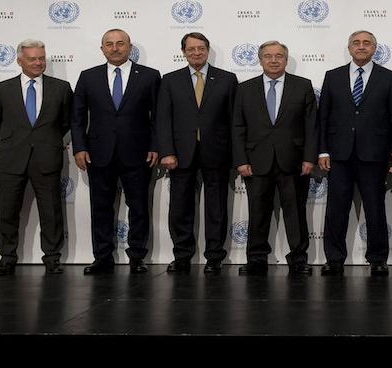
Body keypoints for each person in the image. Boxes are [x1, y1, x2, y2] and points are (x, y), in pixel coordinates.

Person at [72, 29, 160, 275]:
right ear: (102, 49)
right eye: (109, 44)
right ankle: (102, 257)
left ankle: (137, 257)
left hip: (139, 153)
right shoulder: (88, 77)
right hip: (98, 153)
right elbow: (77, 117)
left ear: (129, 47)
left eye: (120, 43)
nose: (115, 48)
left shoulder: (150, 76)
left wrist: (155, 145)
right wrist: (79, 147)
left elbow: (159, 116)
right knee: (100, 207)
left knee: (139, 207)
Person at [318, 30, 392, 277]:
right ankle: (334, 259)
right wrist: (322, 150)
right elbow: (323, 117)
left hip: (374, 154)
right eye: (356, 43)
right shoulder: (332, 76)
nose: (361, 46)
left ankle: (378, 259)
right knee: (336, 210)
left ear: (374, 48)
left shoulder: (389, 77)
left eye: (367, 43)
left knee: (375, 209)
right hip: (339, 154)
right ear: (349, 48)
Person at [0, 39, 73, 275]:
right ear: (19, 61)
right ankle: (7, 257)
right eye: (32, 58)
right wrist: (13, 140)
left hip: (47, 157)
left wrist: (48, 140)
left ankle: (52, 257)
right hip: (12, 158)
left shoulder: (61, 88)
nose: (38, 63)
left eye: (41, 58)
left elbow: (66, 122)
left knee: (51, 211)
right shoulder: (1, 90)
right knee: (7, 210)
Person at [232, 40, 317, 276]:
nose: (273, 60)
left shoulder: (302, 85)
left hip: (294, 161)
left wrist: (309, 158)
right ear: (260, 60)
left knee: (295, 213)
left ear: (286, 60)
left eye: (279, 56)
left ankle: (298, 259)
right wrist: (241, 160)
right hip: (255, 162)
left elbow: (311, 126)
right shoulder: (245, 88)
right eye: (268, 56)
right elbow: (237, 127)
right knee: (258, 213)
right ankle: (256, 259)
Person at [158, 33, 237, 275]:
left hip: (217, 153)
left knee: (216, 208)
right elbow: (163, 119)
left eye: (201, 48)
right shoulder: (170, 80)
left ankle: (214, 257)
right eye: (191, 49)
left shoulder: (227, 79)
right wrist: (167, 151)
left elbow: (234, 121)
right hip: (180, 154)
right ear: (183, 52)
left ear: (208, 50)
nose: (196, 53)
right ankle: (182, 256)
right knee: (180, 208)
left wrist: (236, 156)